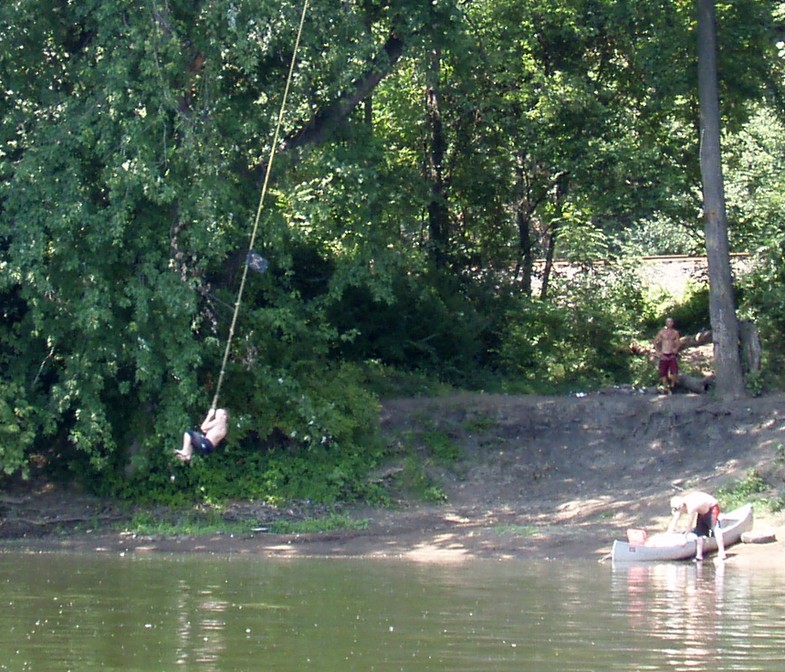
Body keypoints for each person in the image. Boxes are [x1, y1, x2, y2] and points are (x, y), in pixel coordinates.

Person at [667, 491, 726, 561]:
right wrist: (668, 534)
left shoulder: (691, 506)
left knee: (715, 528)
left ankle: (722, 552)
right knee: (699, 533)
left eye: (679, 509)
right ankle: (699, 556)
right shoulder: (680, 506)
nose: (679, 511)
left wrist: (685, 537)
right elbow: (674, 520)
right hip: (702, 511)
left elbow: (690, 524)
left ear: (682, 505)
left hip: (712, 507)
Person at [653, 317, 681, 393]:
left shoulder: (675, 333)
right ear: (666, 323)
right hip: (664, 354)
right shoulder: (662, 332)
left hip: (672, 354)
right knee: (663, 372)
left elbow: (678, 342)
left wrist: (676, 349)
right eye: (668, 322)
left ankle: (672, 386)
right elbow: (655, 341)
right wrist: (657, 351)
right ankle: (665, 387)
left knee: (674, 371)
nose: (670, 323)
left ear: (673, 323)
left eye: (671, 322)